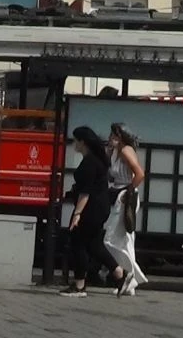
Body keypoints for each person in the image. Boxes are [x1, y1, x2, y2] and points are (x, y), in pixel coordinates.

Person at [60, 127, 114, 297]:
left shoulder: (90, 162)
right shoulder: (96, 160)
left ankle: (79, 285)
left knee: (78, 243)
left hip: (90, 208)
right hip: (99, 207)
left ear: (82, 142)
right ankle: (119, 272)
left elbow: (86, 192)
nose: (73, 144)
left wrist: (77, 214)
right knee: (94, 244)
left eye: (75, 140)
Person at [104, 123, 148, 297]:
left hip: (124, 196)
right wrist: (108, 153)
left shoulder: (126, 151)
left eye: (114, 135)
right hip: (119, 193)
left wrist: (129, 190)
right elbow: (110, 175)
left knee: (109, 239)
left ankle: (132, 274)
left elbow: (140, 174)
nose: (111, 138)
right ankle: (131, 282)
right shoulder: (116, 152)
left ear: (121, 137)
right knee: (126, 240)